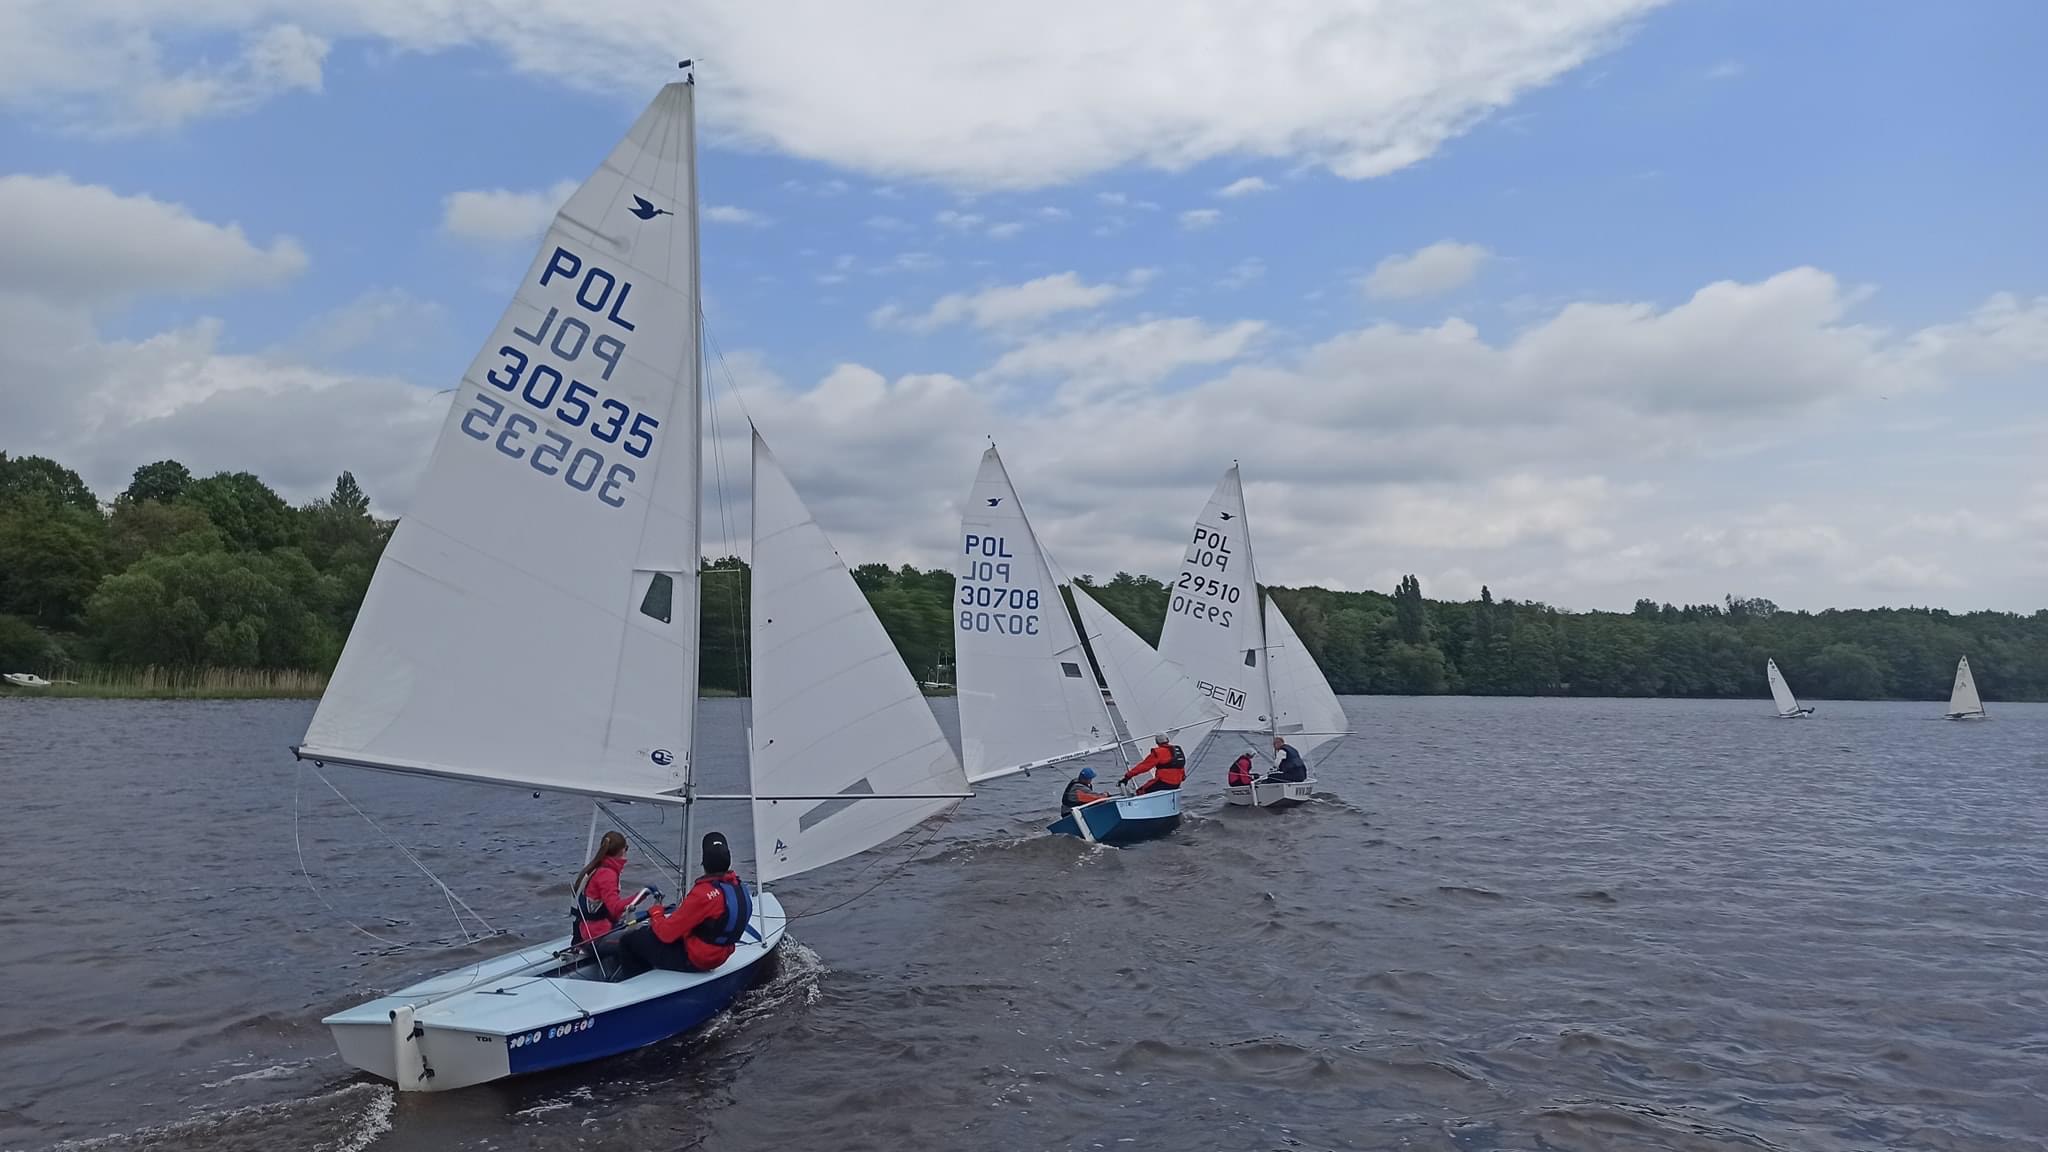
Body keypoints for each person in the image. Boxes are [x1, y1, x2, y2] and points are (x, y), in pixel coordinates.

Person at [620, 832, 754, 975]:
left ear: (704, 863)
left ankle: (635, 985)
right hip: (722, 954)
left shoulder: (703, 894)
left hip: (698, 959)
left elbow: (666, 934)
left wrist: (656, 913)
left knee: (629, 941)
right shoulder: (740, 887)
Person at [570, 831, 656, 945]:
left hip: (588, 931)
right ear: (622, 850)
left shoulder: (597, 867)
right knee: (646, 938)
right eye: (627, 849)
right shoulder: (607, 875)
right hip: (597, 936)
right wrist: (642, 895)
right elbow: (614, 908)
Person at [1122, 733, 1187, 795]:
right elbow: (1181, 766)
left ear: (1156, 742)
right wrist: (1182, 777)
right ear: (1167, 739)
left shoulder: (1157, 752)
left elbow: (1144, 766)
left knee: (1141, 791)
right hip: (1177, 784)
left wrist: (1127, 777)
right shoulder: (1177, 750)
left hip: (1163, 782)